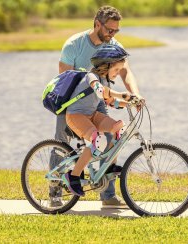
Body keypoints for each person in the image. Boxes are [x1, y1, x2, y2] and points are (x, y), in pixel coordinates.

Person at [50, 5, 143, 208]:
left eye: (116, 31)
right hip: (70, 102)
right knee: (61, 144)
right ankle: (56, 191)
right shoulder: (75, 44)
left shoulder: (113, 45)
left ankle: (107, 194)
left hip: (96, 103)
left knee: (114, 134)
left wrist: (134, 95)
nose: (112, 34)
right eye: (109, 30)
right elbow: (63, 80)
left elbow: (126, 72)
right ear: (97, 24)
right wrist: (115, 94)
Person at [62, 44, 133, 197]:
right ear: (104, 66)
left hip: (91, 114)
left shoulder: (105, 81)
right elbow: (101, 92)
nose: (118, 73)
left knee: (118, 127)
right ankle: (73, 175)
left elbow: (110, 101)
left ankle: (108, 167)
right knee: (99, 140)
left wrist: (130, 102)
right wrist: (122, 95)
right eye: (116, 70)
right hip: (76, 115)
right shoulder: (91, 77)